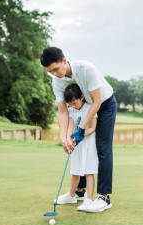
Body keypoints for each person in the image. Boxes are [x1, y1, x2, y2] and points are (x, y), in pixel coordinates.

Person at [40, 46, 117, 213]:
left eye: (56, 68)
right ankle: (77, 193)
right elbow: (62, 110)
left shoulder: (86, 69)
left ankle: (104, 197)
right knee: (78, 146)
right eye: (50, 71)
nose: (54, 73)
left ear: (64, 61)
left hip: (105, 104)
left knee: (102, 148)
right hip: (84, 107)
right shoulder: (56, 81)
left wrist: (81, 129)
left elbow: (96, 102)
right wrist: (63, 137)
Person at [53, 84, 98, 211]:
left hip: (89, 144)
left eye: (74, 102)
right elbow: (69, 126)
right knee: (75, 171)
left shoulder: (90, 107)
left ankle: (88, 199)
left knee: (89, 172)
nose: (72, 106)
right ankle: (71, 195)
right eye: (70, 104)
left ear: (82, 97)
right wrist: (69, 139)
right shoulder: (71, 110)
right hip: (77, 145)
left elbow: (93, 128)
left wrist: (80, 136)